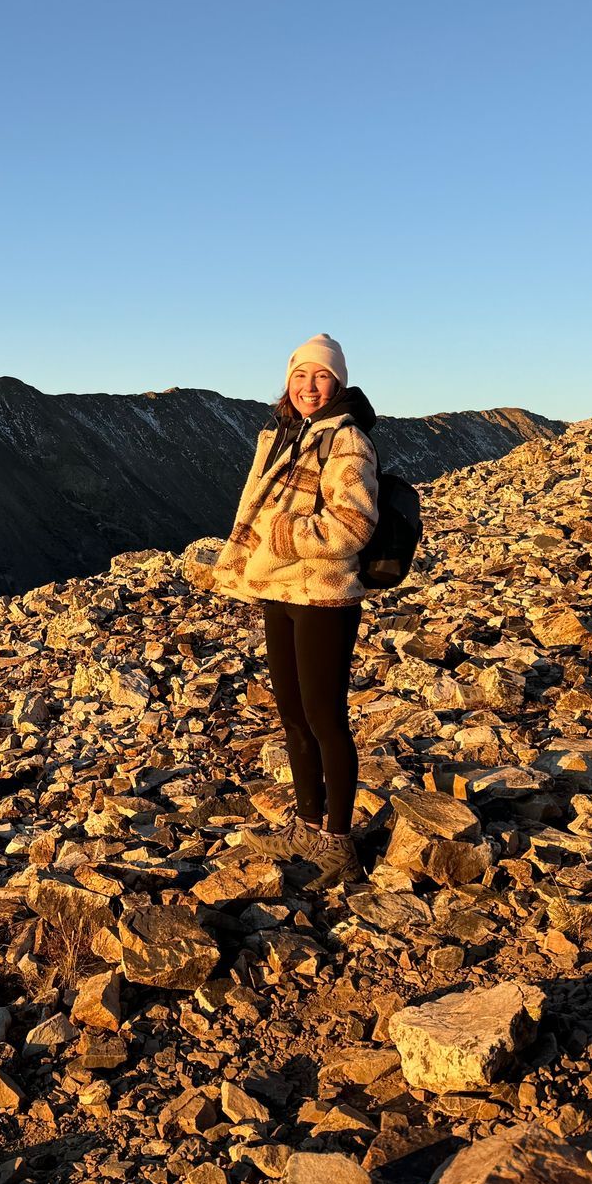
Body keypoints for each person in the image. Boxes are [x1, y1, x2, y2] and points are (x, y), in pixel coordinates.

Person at [210, 333, 380, 889]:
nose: (310, 387)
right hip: (279, 591)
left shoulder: (348, 441)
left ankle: (339, 845)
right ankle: (307, 825)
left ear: (339, 383)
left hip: (324, 595)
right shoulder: (285, 434)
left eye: (322, 376)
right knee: (293, 717)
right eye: (301, 375)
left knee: (326, 721)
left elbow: (353, 526)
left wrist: (280, 535)